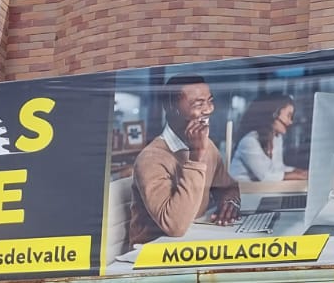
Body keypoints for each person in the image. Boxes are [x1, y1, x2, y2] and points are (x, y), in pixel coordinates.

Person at [126, 73, 240, 247]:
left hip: (191, 241)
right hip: (152, 254)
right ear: (172, 107)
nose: (209, 109)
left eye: (210, 101)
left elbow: (227, 186)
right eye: (198, 103)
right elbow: (175, 226)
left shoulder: (206, 145)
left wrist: (230, 202)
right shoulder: (150, 159)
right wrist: (195, 158)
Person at [229, 94, 308, 182]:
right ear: (274, 114)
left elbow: (277, 169)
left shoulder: (276, 139)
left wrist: (300, 172)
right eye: (288, 116)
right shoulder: (249, 141)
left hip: (257, 193)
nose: (290, 122)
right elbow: (267, 176)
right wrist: (297, 175)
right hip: (240, 194)